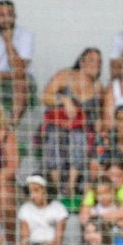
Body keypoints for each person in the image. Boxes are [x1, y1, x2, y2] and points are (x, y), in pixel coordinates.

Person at [38, 48, 104, 197]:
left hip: (82, 128)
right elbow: (44, 97)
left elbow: (98, 114)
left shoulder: (98, 87)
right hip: (58, 123)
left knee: (80, 137)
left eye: (99, 62)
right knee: (54, 137)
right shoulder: (65, 76)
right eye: (92, 60)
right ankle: (56, 185)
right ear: (81, 62)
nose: (96, 64)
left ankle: (71, 186)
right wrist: (64, 100)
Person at [16, 174, 68, 245]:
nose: (32, 195)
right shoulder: (25, 208)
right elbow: (24, 236)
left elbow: (59, 239)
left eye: (36, 191)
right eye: (30, 191)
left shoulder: (59, 208)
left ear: (45, 190)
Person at [80, 171, 123, 242]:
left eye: (106, 192)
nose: (103, 197)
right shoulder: (93, 211)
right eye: (99, 194)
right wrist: (114, 220)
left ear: (113, 191)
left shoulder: (118, 209)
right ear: (95, 195)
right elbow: (85, 222)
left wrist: (99, 219)